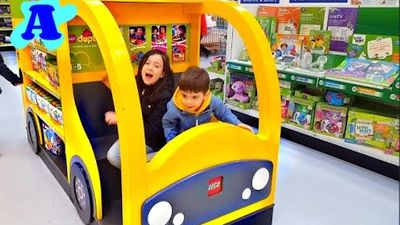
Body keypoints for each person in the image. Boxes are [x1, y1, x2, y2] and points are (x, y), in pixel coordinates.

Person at [105, 49, 175, 169]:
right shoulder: (138, 84)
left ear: (162, 73)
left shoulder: (164, 95)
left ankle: (156, 160)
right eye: (147, 63)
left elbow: (152, 131)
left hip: (151, 140)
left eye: (156, 66)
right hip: (134, 133)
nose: (150, 68)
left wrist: (121, 120)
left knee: (114, 156)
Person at [162, 66, 253, 142]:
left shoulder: (212, 101)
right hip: (184, 141)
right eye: (184, 95)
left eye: (194, 97)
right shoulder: (174, 106)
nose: (188, 101)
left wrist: (237, 123)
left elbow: (225, 113)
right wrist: (171, 138)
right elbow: (168, 122)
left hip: (205, 137)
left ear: (205, 95)